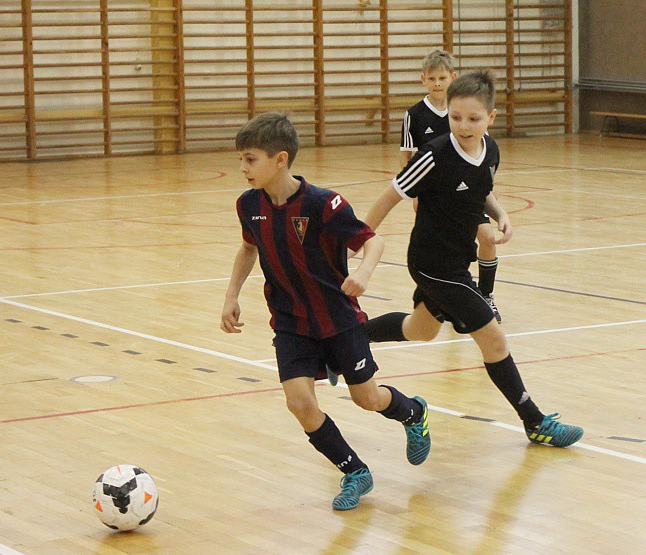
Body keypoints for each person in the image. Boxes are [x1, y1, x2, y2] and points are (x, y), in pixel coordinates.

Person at [220, 112, 431, 511]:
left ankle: (413, 411)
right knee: (299, 402)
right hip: (289, 321)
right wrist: (232, 295)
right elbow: (249, 248)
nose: (242, 168)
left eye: (250, 159)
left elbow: (373, 242)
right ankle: (354, 470)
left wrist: (364, 274)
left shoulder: (323, 203)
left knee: (367, 398)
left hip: (337, 319)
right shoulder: (248, 205)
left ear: (279, 159)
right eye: (241, 160)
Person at [362, 71, 583, 447]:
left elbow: (481, 190)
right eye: (455, 117)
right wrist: (359, 238)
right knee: (494, 340)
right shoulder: (434, 155)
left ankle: (342, 339)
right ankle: (535, 422)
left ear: (491, 118)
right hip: (433, 264)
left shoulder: (491, 151)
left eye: (473, 118)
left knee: (421, 329)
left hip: (457, 259)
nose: (463, 126)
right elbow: (390, 195)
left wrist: (500, 214)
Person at [401, 50, 501, 322]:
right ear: (423, 80)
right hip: (437, 193)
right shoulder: (417, 117)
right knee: (424, 323)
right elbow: (406, 166)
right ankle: (439, 289)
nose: (436, 83)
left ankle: (485, 295)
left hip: (468, 196)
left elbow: (482, 173)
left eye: (442, 77)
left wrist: (500, 214)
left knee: (488, 238)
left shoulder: (481, 135)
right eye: (431, 78)